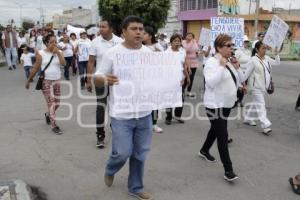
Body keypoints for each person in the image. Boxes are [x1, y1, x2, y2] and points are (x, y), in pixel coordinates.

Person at [94, 15, 154, 200]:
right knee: (122, 152)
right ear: (124, 32)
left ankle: (135, 187)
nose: (139, 32)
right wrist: (105, 79)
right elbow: (96, 77)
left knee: (140, 154)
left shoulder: (149, 54)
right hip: (121, 114)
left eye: (141, 29)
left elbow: (157, 79)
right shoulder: (113, 53)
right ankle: (111, 168)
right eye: (134, 29)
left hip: (145, 113)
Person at [198, 34, 241, 182]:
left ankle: (204, 150)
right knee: (223, 135)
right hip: (214, 105)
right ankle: (228, 170)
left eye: (232, 45)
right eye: (228, 45)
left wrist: (237, 68)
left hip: (226, 104)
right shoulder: (211, 62)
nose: (231, 48)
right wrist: (222, 66)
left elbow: (238, 79)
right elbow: (210, 83)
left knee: (215, 130)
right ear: (218, 47)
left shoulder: (228, 61)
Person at [86, 19, 123, 149]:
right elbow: (91, 62)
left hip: (115, 80)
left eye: (103, 26)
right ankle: (100, 136)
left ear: (111, 28)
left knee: (116, 105)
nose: (100, 29)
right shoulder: (95, 42)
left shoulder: (120, 41)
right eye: (99, 26)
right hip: (100, 80)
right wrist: (88, 80)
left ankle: (115, 128)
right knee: (101, 106)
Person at [25, 34, 66, 135]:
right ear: (46, 43)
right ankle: (54, 125)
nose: (54, 44)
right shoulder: (41, 53)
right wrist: (29, 79)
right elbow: (35, 68)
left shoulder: (59, 52)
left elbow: (63, 64)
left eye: (55, 42)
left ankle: (48, 114)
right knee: (51, 103)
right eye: (51, 42)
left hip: (57, 80)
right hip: (46, 81)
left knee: (57, 103)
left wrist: (58, 53)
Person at [239, 41, 280, 135]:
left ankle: (248, 119)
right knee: (261, 105)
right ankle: (265, 125)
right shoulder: (253, 60)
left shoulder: (266, 58)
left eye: (265, 48)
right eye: (263, 48)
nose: (264, 50)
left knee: (255, 103)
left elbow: (277, 63)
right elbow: (245, 75)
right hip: (255, 87)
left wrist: (276, 53)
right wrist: (241, 85)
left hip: (264, 87)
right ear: (257, 49)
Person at [143, 25, 164, 133]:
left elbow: (165, 61)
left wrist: (158, 54)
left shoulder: (157, 46)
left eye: (144, 33)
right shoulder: (138, 47)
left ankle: (154, 123)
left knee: (155, 102)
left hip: (155, 79)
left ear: (150, 36)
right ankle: (144, 124)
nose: (141, 35)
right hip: (142, 79)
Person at [165, 34, 190, 125]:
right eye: (175, 41)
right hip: (170, 80)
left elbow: (183, 66)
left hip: (181, 79)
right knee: (169, 99)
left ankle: (177, 116)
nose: (177, 43)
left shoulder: (182, 51)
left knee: (181, 99)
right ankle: (168, 117)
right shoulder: (166, 53)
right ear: (171, 42)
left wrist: (187, 77)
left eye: (178, 41)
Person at [234, 35, 251, 107]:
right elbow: (234, 61)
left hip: (246, 72)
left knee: (244, 87)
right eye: (245, 42)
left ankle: (240, 100)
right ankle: (235, 100)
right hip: (239, 72)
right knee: (238, 87)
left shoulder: (249, 52)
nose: (246, 43)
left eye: (247, 42)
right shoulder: (238, 51)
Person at [182, 32, 200, 98]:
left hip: (194, 62)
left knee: (191, 78)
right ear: (186, 36)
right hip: (185, 62)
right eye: (188, 35)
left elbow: (197, 50)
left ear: (193, 37)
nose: (189, 37)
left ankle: (189, 92)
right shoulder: (183, 42)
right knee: (185, 78)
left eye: (191, 36)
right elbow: (186, 50)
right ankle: (182, 90)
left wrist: (197, 53)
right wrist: (191, 42)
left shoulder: (195, 43)